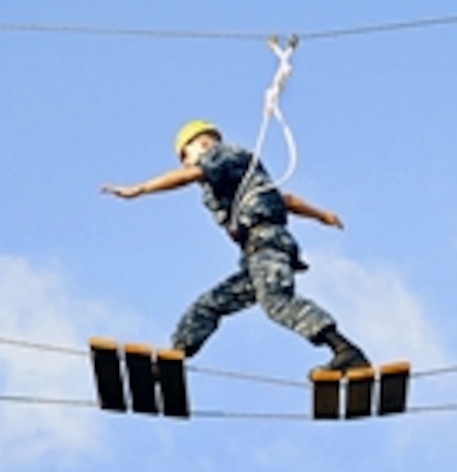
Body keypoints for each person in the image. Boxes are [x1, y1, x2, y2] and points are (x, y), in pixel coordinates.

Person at [101, 120, 370, 372]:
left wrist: (140, 189)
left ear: (202, 144)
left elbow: (187, 177)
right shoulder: (237, 175)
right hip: (256, 256)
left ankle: (346, 351)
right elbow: (285, 199)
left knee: (277, 302)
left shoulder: (221, 154)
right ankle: (175, 359)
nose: (186, 166)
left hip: (267, 245)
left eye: (186, 156)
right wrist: (322, 215)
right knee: (208, 306)